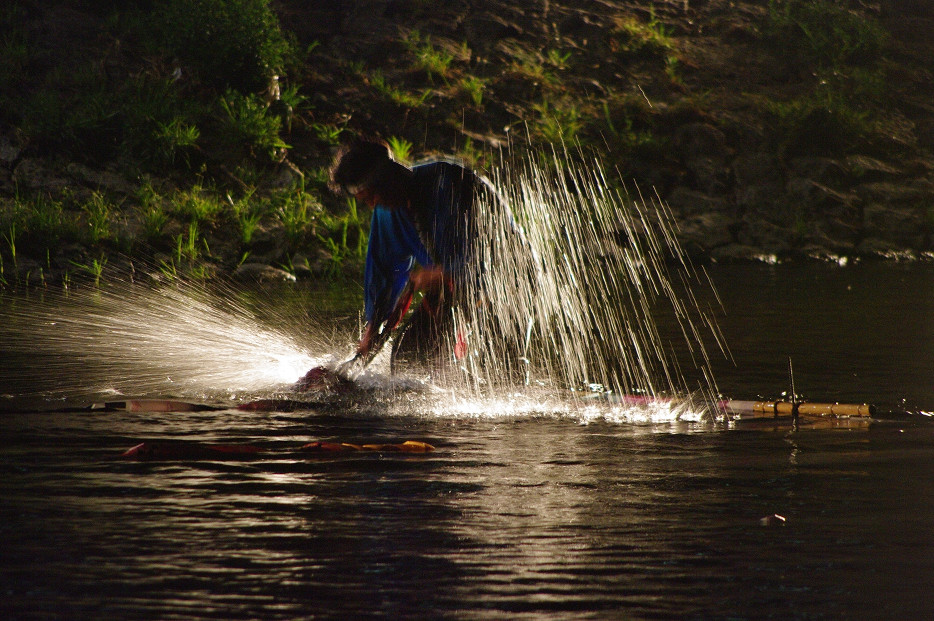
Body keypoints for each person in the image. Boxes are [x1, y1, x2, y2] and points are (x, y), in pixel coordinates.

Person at [329, 138, 487, 372]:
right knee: (407, 358)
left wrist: (441, 274)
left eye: (373, 195)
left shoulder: (448, 182)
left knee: (495, 361)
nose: (373, 205)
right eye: (365, 201)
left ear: (388, 177)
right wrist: (365, 346)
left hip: (505, 288)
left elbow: (485, 258)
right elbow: (383, 279)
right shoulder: (386, 211)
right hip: (452, 294)